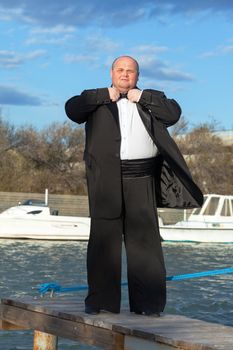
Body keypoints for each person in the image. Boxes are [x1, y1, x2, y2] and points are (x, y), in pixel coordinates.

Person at [65, 55, 203, 316]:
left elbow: (173, 114)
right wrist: (104, 95)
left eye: (130, 71)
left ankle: (148, 306)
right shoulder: (94, 99)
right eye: (120, 70)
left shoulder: (152, 99)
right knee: (104, 243)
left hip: (142, 178)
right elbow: (72, 109)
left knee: (145, 245)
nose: (125, 74)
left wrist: (144, 98)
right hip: (105, 181)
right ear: (112, 72)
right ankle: (102, 303)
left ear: (137, 76)